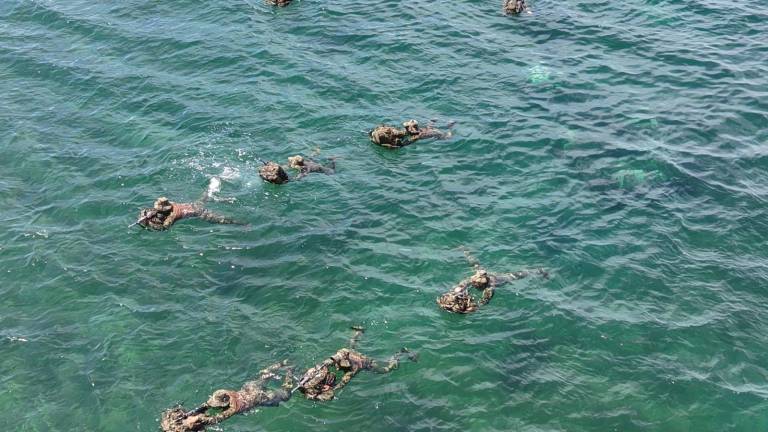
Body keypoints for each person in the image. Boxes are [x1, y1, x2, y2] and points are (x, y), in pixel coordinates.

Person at [160, 361, 294, 432]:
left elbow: (225, 415)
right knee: (263, 377)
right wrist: (203, 407)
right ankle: (282, 364)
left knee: (286, 395)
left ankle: (289, 372)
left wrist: (204, 418)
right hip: (247, 388)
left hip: (259, 398)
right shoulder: (223, 396)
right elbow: (205, 406)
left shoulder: (205, 419)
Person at [297, 327, 415, 401]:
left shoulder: (352, 370)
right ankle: (359, 331)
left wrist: (331, 389)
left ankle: (399, 354)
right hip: (354, 354)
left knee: (386, 369)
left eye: (339, 366)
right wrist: (329, 362)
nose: (337, 367)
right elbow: (336, 358)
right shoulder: (345, 353)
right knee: (352, 345)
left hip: (366, 362)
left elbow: (343, 383)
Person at [437, 249, 548, 314]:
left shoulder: (491, 285)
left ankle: (539, 271)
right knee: (476, 265)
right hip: (489, 277)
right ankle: (465, 251)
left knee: (516, 275)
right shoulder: (473, 279)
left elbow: (485, 299)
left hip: (499, 278)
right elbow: (462, 287)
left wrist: (476, 305)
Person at [132, 179, 239, 230]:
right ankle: (215, 184)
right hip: (193, 205)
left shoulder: (172, 215)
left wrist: (146, 223)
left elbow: (164, 228)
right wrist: (147, 214)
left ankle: (242, 224)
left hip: (199, 212)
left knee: (223, 221)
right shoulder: (172, 204)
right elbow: (155, 211)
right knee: (206, 195)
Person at [369, 119, 452, 148]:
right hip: (419, 136)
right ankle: (444, 136)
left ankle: (434, 126)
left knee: (427, 129)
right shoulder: (399, 144)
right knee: (435, 133)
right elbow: (415, 137)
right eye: (390, 131)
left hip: (413, 133)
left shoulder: (394, 135)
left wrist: (409, 128)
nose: (392, 129)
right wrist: (411, 130)